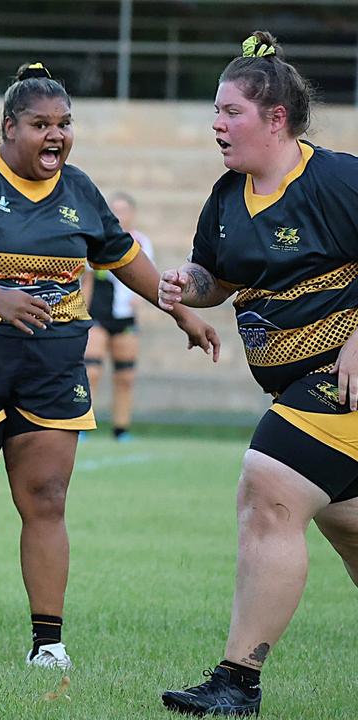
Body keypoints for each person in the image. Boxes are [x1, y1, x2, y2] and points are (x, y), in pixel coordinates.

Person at [0, 63, 219, 671]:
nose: (56, 135)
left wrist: (181, 313)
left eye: (65, 124)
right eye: (40, 124)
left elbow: (122, 255)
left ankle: (47, 641)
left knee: (46, 497)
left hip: (50, 366)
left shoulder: (78, 189)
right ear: (8, 127)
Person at [159, 32, 358, 717]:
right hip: (298, 389)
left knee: (267, 485)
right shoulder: (227, 196)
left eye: (230, 110)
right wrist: (191, 283)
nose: (216, 123)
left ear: (276, 118)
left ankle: (237, 683)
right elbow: (223, 278)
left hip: (341, 384)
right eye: (215, 111)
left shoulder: (337, 178)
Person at [83, 191, 155, 441]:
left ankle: (121, 429)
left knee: (125, 376)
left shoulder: (141, 242)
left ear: (132, 214)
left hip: (125, 316)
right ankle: (83, 424)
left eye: (123, 210)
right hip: (99, 313)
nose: (118, 215)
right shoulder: (96, 239)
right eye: (114, 210)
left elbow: (146, 279)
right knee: (91, 371)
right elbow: (89, 279)